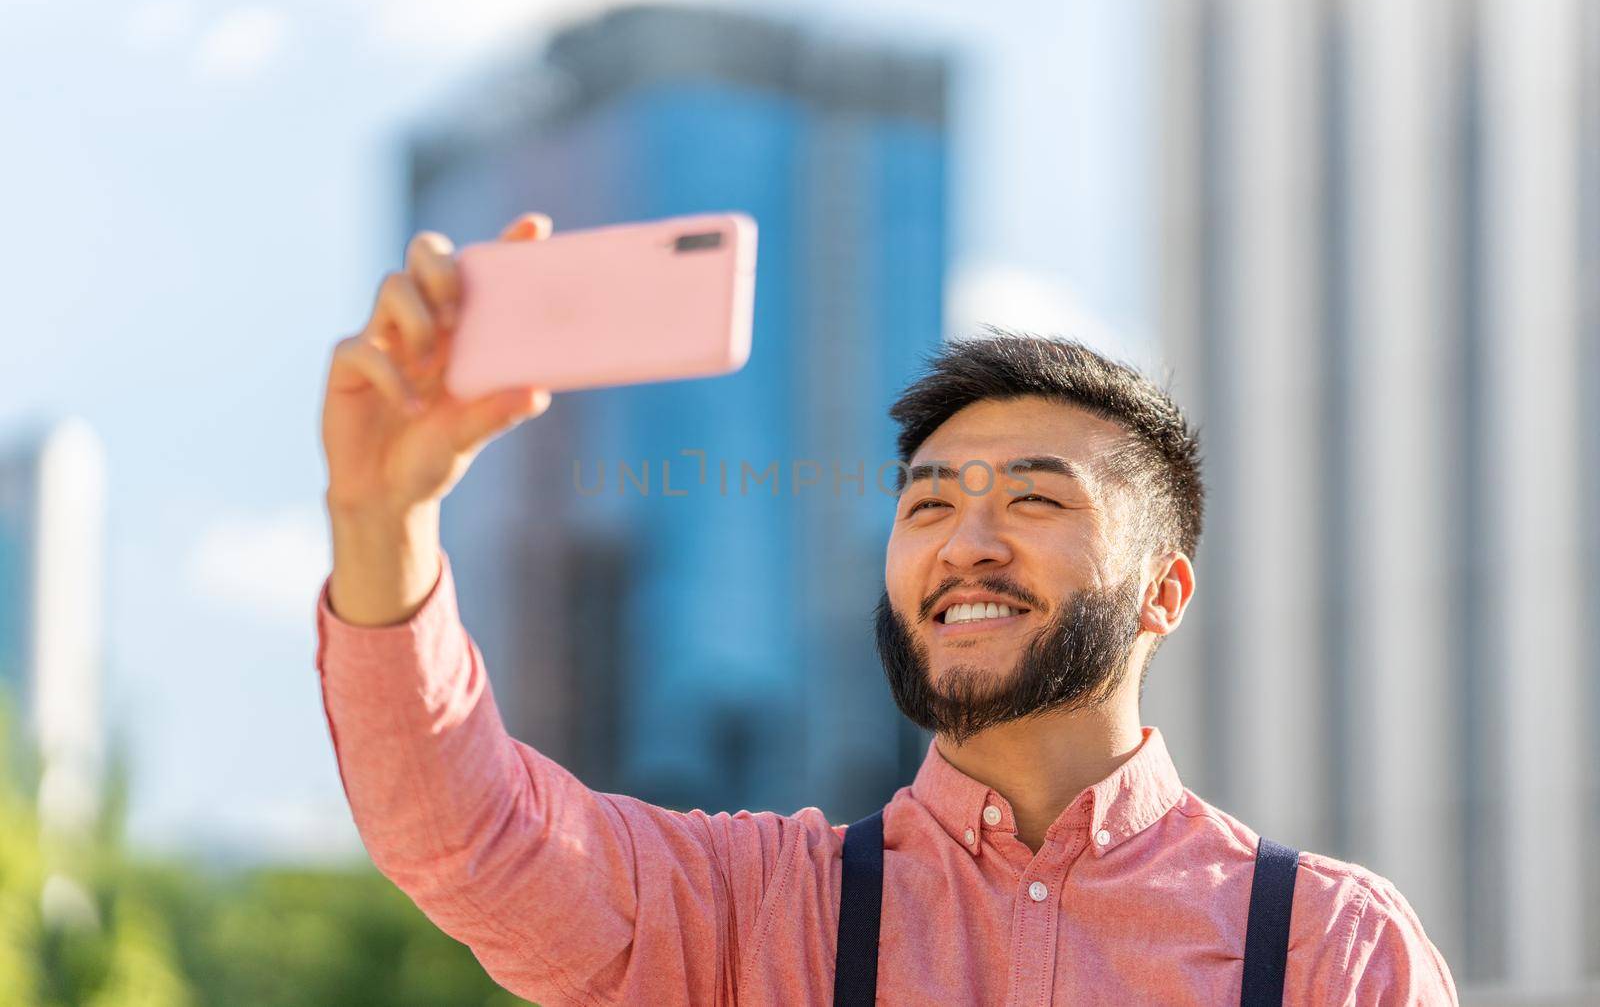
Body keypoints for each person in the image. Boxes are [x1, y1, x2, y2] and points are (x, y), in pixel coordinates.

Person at [315, 213, 1460, 1005]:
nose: (965, 543)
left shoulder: (1329, 946)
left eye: (1031, 496)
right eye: (926, 506)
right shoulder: (755, 915)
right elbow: (471, 838)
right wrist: (382, 516)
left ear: (1163, 590)